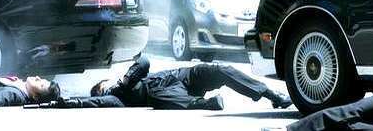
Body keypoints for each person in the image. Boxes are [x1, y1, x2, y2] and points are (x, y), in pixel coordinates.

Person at [53, 54, 292, 110]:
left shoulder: (127, 80)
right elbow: (92, 103)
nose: (106, 86)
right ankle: (205, 104)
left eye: (104, 83)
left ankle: (272, 96)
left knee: (221, 69)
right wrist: (67, 102)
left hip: (182, 76)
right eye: (101, 88)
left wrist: (124, 80)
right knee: (157, 99)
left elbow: (144, 61)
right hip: (163, 94)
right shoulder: (115, 98)